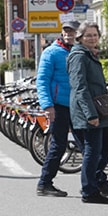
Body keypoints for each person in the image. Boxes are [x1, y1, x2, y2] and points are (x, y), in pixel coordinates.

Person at [68, 23, 108, 205]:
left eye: (95, 35)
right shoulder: (78, 56)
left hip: (101, 110)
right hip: (89, 112)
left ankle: (96, 178)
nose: (92, 38)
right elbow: (80, 87)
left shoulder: (90, 55)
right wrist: (90, 114)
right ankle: (89, 190)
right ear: (80, 38)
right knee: (92, 151)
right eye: (88, 35)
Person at [34, 21, 79, 198]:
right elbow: (42, 80)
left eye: (72, 31)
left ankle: (96, 182)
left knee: (87, 144)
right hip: (59, 106)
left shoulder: (78, 51)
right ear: (62, 33)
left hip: (77, 105)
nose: (69, 34)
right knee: (58, 145)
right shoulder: (51, 52)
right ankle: (44, 183)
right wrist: (47, 106)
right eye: (66, 31)